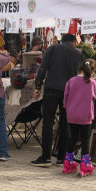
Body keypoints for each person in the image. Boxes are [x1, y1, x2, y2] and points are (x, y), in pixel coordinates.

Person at [32, 33, 83, 167]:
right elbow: (81, 75)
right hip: (70, 91)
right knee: (65, 124)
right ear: (73, 42)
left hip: (52, 88)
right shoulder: (78, 54)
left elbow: (43, 67)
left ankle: (46, 157)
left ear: (63, 41)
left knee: (48, 122)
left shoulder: (53, 49)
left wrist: (38, 85)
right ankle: (61, 157)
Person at [62, 59, 96, 177]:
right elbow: (95, 96)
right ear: (92, 71)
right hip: (85, 115)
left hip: (72, 114)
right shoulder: (92, 83)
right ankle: (85, 164)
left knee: (72, 137)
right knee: (85, 139)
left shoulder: (71, 81)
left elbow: (65, 99)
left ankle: (68, 162)